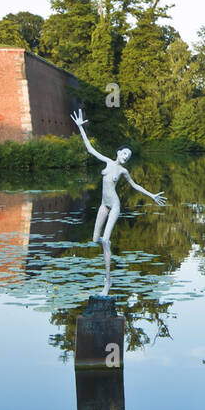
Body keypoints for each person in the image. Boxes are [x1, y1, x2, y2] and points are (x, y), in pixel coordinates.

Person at [72, 109, 166, 295]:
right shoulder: (108, 163)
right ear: (118, 153)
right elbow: (90, 149)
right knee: (94, 239)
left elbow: (135, 185)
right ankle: (107, 248)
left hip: (114, 205)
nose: (125, 157)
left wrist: (152, 195)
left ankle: (107, 282)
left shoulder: (123, 172)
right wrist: (81, 128)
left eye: (128, 157)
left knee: (105, 241)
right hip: (103, 205)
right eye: (124, 154)